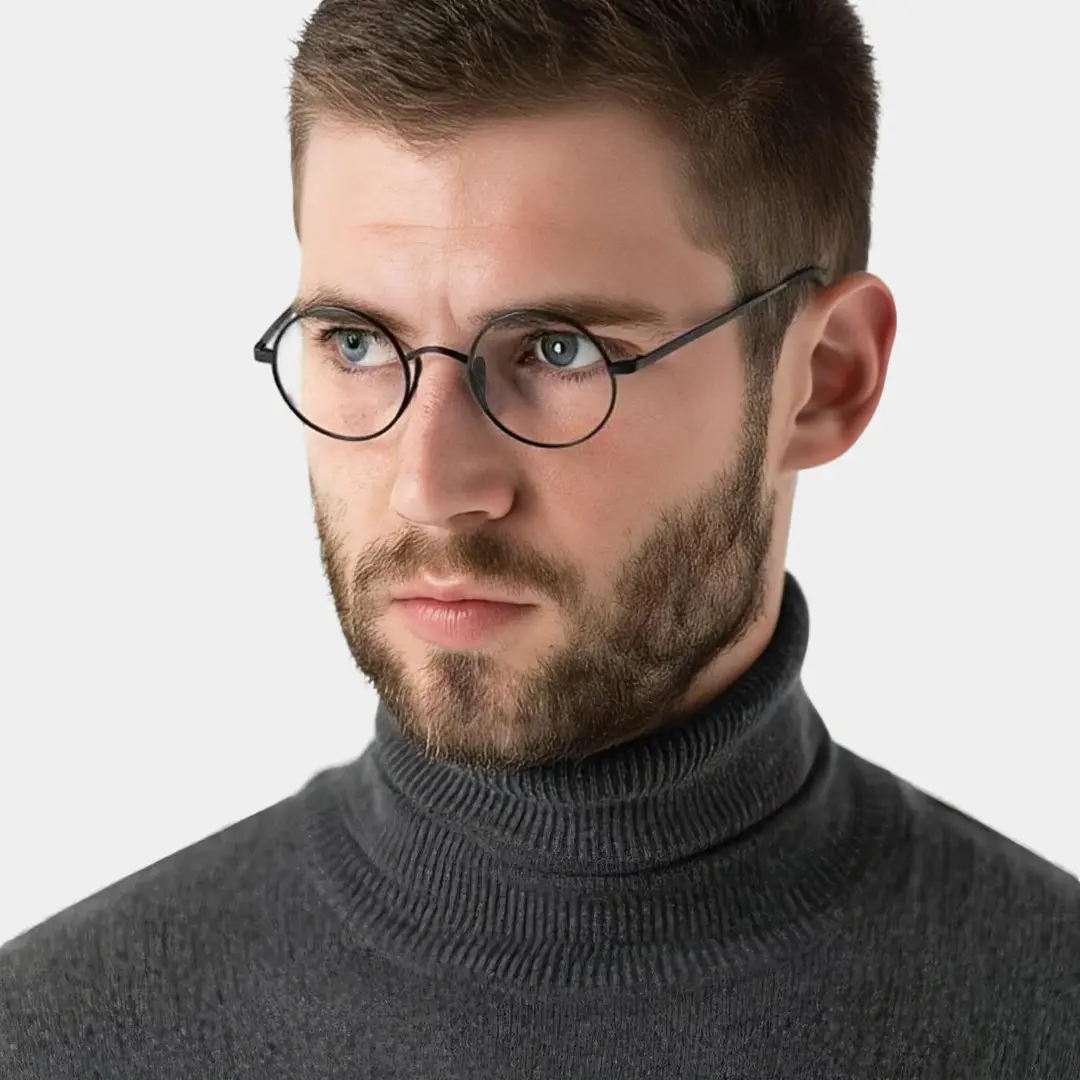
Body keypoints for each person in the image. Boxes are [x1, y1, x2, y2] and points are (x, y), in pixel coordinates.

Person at [2, 0, 1078, 1075]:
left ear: (824, 381)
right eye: (357, 341)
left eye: (561, 351)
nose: (431, 488)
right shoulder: (56, 1035)